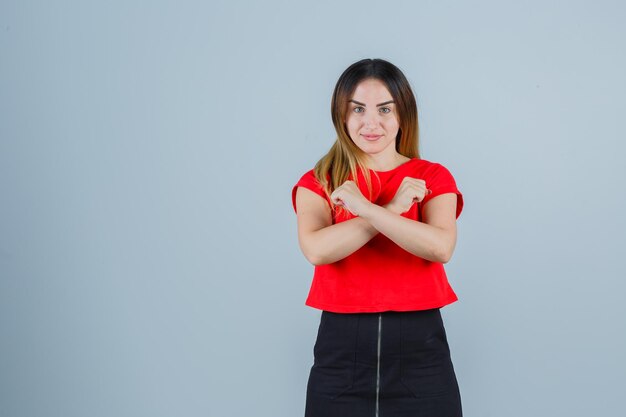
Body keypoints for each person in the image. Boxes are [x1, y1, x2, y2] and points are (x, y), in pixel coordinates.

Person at [291, 58, 464, 417]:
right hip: (341, 352)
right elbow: (317, 250)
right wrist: (393, 208)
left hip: (421, 352)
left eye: (385, 109)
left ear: (403, 115)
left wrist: (368, 208)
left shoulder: (431, 176)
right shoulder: (320, 179)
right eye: (358, 109)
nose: (371, 123)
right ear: (342, 115)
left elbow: (440, 246)